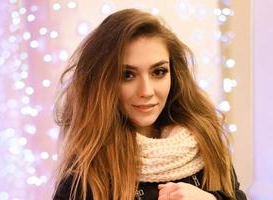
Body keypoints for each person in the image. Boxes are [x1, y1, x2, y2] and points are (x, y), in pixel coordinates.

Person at [53, 8, 247, 200]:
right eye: (127, 75)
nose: (146, 91)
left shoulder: (204, 139)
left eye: (159, 72)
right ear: (102, 83)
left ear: (174, 73)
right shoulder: (87, 171)